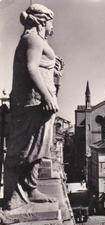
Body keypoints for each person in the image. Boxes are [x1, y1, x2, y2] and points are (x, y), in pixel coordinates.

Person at [3, 4, 60, 211]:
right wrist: (46, 96)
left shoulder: (35, 41)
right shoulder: (32, 39)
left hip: (39, 104)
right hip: (34, 103)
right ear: (42, 21)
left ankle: (30, 188)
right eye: (51, 21)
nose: (52, 26)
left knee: (38, 149)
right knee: (24, 149)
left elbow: (40, 64)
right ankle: (11, 197)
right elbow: (31, 67)